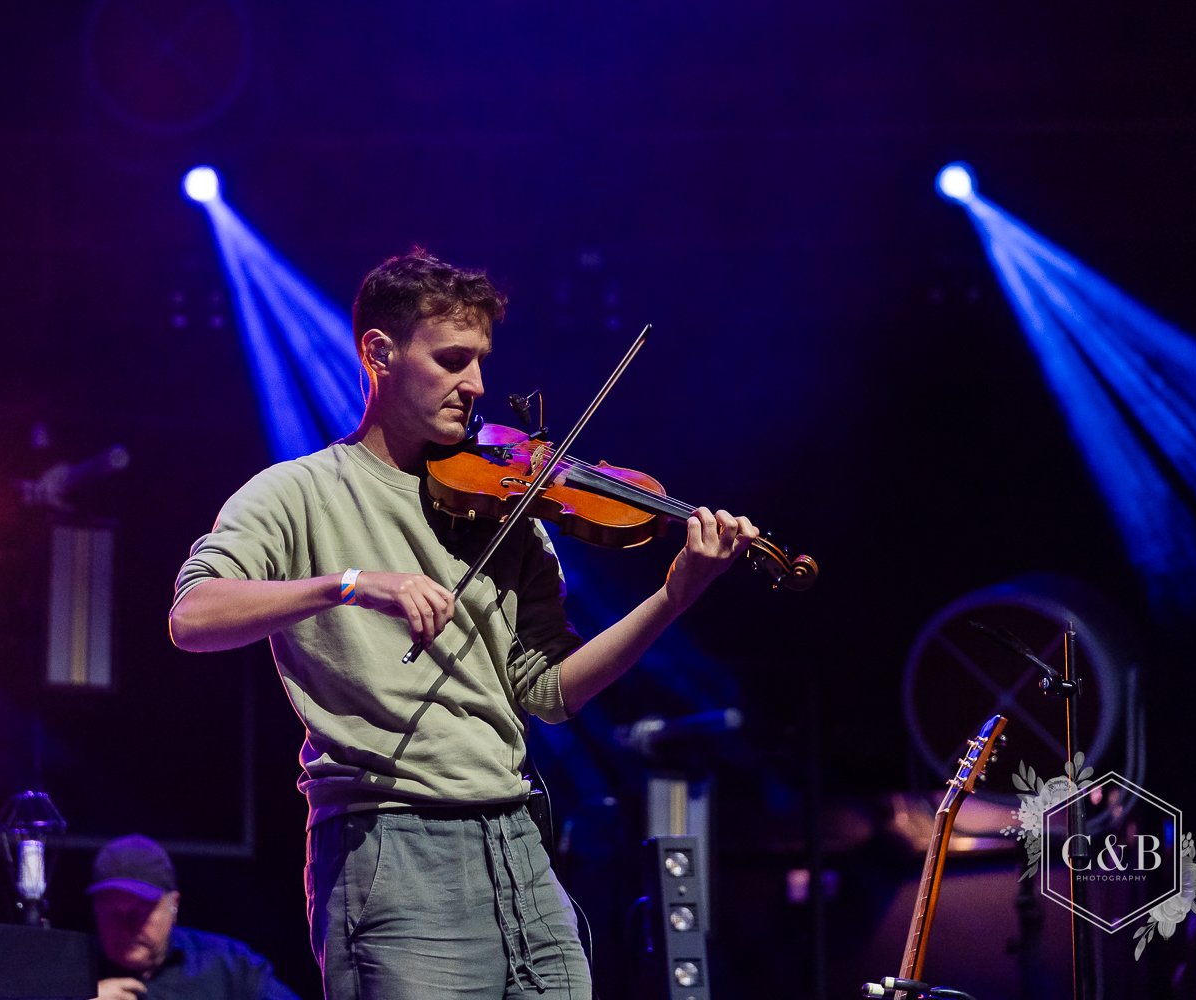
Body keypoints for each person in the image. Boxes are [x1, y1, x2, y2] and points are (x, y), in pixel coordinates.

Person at [169, 248, 760, 999]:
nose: (476, 384)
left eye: (481, 361)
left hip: (516, 840)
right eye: (451, 359)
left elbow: (549, 692)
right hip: (393, 846)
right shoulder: (297, 492)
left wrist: (673, 598)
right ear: (378, 353)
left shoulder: (509, 504)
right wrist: (348, 585)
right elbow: (193, 616)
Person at [89, 834, 301, 1000]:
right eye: (113, 911)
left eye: (141, 911)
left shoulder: (231, 964)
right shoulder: (75, 969)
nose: (127, 925)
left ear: (174, 904)